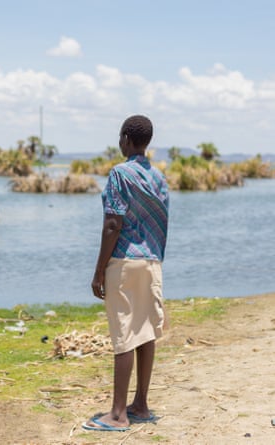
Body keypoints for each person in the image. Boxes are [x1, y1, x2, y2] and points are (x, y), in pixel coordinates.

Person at [83, 115, 169, 432]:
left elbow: (112, 223)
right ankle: (141, 405)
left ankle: (118, 415)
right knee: (146, 332)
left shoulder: (120, 173)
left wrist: (98, 271)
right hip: (152, 261)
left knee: (123, 336)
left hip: (124, 261)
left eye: (120, 138)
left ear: (125, 139)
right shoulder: (159, 177)